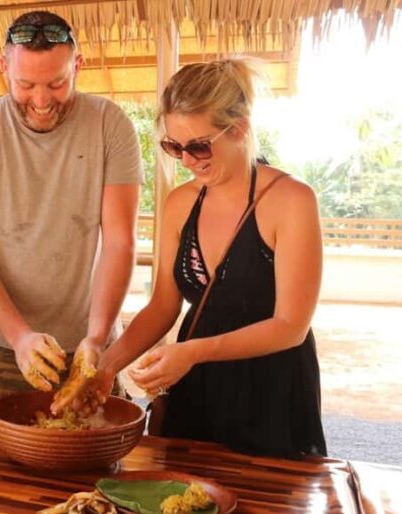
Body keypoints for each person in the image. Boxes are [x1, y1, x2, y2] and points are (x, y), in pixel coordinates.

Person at [64, 58, 327, 458]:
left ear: (238, 128)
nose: (186, 160)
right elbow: (164, 305)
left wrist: (194, 351)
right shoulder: (180, 202)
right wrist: (106, 367)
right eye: (173, 147)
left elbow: (290, 326)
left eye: (199, 145)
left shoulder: (291, 200)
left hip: (271, 387)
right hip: (196, 383)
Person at [0, 11, 143, 413]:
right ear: (4, 67)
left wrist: (97, 338)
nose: (42, 100)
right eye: (25, 84)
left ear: (78, 66)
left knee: (94, 453)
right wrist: (19, 337)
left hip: (89, 339)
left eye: (57, 83)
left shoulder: (111, 125)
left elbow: (120, 241)